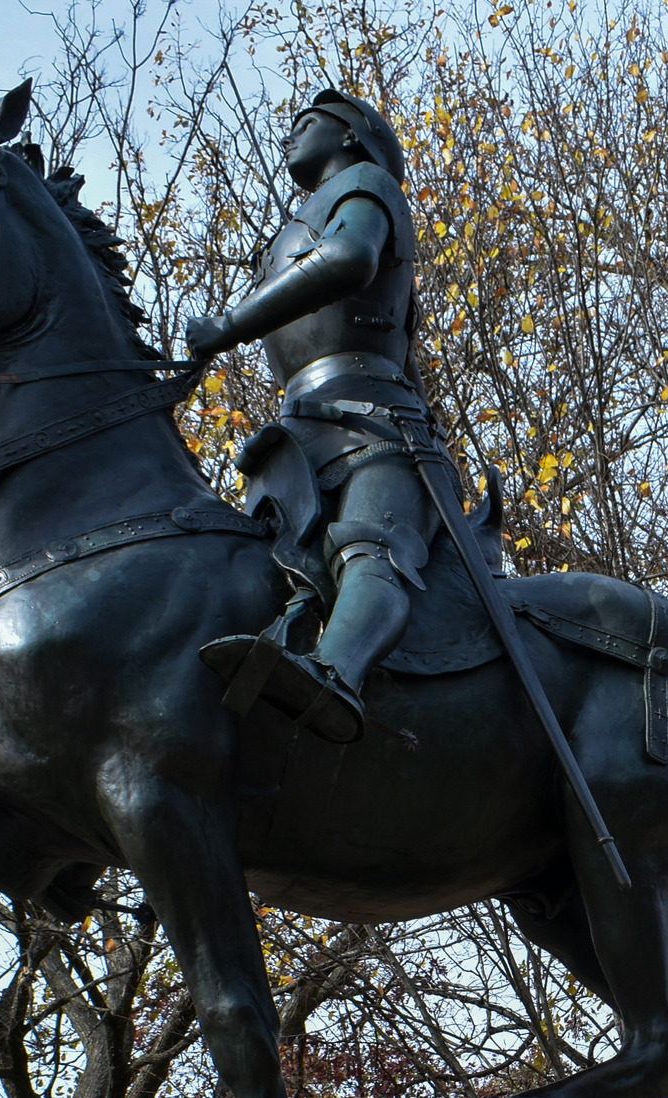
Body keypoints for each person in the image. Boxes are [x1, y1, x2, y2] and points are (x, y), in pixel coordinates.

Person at [185, 89, 431, 744]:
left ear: (352, 136)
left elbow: (351, 259)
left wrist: (232, 324)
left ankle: (333, 676)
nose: (290, 136)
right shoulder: (292, 229)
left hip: (375, 424)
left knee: (371, 547)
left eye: (307, 124)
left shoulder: (365, 183)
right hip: (299, 430)